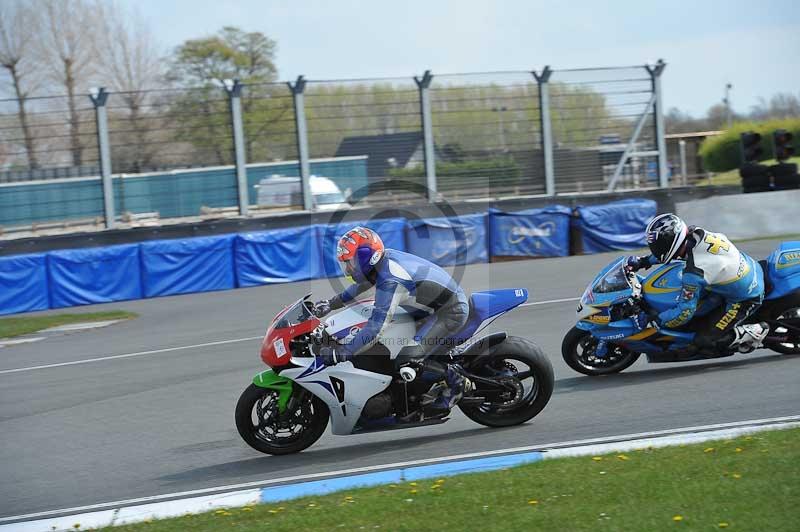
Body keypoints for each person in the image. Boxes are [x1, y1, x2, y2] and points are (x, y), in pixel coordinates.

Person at [312, 226, 471, 412]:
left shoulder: (391, 280)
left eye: (350, 262)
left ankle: (457, 382)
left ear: (365, 256)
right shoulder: (380, 262)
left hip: (449, 312)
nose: (348, 268)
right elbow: (360, 285)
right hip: (425, 310)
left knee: (406, 358)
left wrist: (342, 353)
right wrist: (330, 304)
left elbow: (375, 328)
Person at [625, 213, 768, 352]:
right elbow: (674, 251)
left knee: (704, 340)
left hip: (745, 297)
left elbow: (684, 313)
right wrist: (643, 261)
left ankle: (754, 331)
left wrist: (655, 319)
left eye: (658, 245)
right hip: (744, 268)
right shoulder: (695, 233)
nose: (655, 248)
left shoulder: (694, 272)